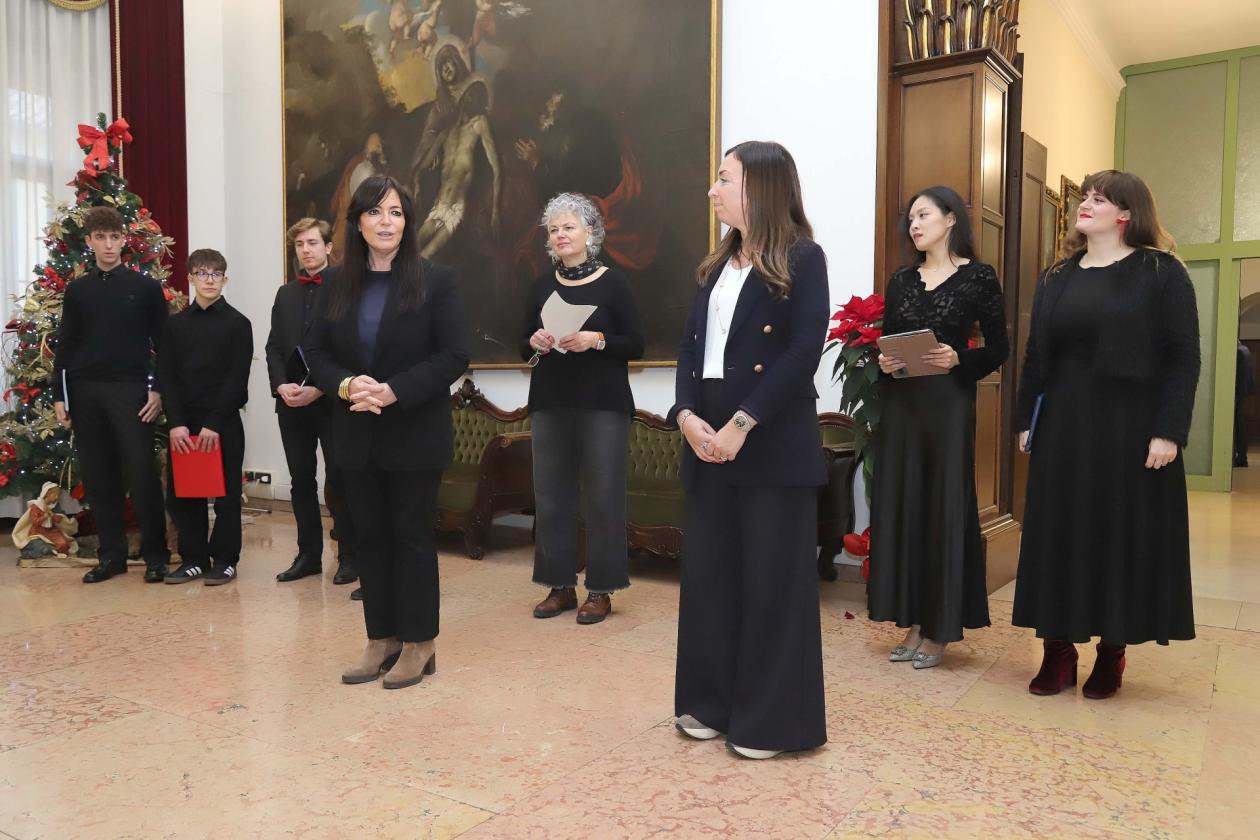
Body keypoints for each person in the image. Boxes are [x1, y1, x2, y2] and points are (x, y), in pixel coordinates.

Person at [668, 141, 829, 759]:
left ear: (760, 187)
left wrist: (743, 422)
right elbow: (690, 348)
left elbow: (802, 352)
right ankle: (710, 703)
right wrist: (685, 415)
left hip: (768, 437)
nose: (712, 190)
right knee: (710, 579)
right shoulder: (715, 265)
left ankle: (770, 723)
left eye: (724, 178)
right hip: (706, 434)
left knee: (770, 585)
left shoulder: (803, 258)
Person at [1014, 170, 1200, 700]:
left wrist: (1169, 431)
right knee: (1058, 533)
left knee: (1117, 535)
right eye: (1085, 196)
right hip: (1064, 425)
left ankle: (1111, 652)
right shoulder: (1057, 276)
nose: (1086, 203)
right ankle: (1057, 651)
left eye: (1100, 198)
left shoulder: (1161, 272)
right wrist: (1026, 419)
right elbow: (1036, 356)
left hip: (1129, 427)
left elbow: (1183, 358)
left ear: (1127, 214)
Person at [306, 175, 469, 689]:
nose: (385, 222)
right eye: (375, 212)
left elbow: (453, 355)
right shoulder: (336, 283)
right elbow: (316, 352)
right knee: (369, 538)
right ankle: (382, 638)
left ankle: (420, 643)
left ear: (408, 223)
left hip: (415, 431)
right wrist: (347, 384)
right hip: (355, 431)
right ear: (357, 222)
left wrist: (394, 390)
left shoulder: (437, 279)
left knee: (411, 537)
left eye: (396, 212)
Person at [866, 186, 1009, 669]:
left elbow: (1000, 348)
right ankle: (911, 620)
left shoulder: (979, 277)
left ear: (951, 220)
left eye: (923, 215)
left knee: (942, 509)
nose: (914, 224)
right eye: (910, 218)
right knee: (906, 507)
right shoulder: (902, 280)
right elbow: (890, 339)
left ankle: (940, 628)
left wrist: (958, 358)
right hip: (903, 406)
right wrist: (885, 362)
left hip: (948, 405)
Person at [522, 193, 644, 624]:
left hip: (603, 404)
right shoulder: (541, 285)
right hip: (550, 401)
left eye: (568, 227)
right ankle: (559, 587)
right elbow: (522, 343)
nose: (560, 235)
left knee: (603, 498)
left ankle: (601, 590)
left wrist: (598, 340)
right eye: (554, 229)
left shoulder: (615, 283)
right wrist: (534, 341)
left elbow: (637, 343)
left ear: (590, 232)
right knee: (551, 497)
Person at [52, 206, 171, 584]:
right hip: (85, 392)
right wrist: (60, 396)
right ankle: (112, 556)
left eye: (114, 237)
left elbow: (165, 345)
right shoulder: (78, 290)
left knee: (142, 474)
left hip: (130, 391)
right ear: (89, 241)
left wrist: (158, 389)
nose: (107, 244)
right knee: (99, 477)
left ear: (123, 240)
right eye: (100, 237)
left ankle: (156, 556)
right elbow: (66, 346)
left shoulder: (146, 288)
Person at [267, 218, 359, 586]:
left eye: (312, 243)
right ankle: (308, 556)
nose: (306, 250)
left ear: (328, 247)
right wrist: (281, 386)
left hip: (331, 401)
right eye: (300, 245)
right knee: (300, 480)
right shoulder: (285, 293)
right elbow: (274, 347)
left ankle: (350, 556)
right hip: (291, 403)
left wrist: (320, 388)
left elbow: (350, 348)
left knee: (340, 477)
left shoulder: (346, 289)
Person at [159, 249, 253, 585]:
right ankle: (194, 559)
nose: (209, 280)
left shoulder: (238, 324)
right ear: (190, 278)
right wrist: (176, 423)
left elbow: (236, 379)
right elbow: (167, 376)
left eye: (215, 274)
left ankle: (225, 560)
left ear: (225, 279)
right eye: (202, 273)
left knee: (226, 496)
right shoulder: (174, 325)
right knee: (185, 494)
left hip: (223, 422)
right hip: (184, 424)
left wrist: (214, 423)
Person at [1237, 341, 1254, 467]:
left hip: (1238, 392)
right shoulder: (1246, 350)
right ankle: (1242, 456)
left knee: (1238, 425)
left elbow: (1239, 376)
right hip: (1243, 392)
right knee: (1240, 423)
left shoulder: (1239, 352)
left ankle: (1241, 457)